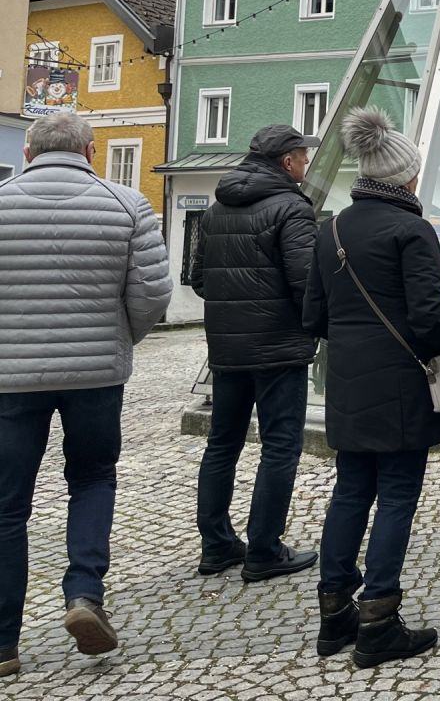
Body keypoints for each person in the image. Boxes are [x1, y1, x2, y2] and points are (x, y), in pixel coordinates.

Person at [0, 113, 171, 678]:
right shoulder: (127, 205)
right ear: (90, 151)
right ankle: (83, 595)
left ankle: (2, 643)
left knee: (6, 507)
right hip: (95, 375)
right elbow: (152, 294)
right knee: (93, 479)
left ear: (27, 152)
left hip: (9, 379)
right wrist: (120, 339)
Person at [301, 109, 440, 668]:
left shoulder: (332, 229)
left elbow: (313, 314)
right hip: (399, 380)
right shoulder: (411, 229)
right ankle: (379, 618)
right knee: (396, 495)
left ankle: (333, 613)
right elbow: (428, 317)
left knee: (350, 491)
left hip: (347, 377)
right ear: (405, 177)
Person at [190, 124, 320, 582]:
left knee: (222, 443)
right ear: (286, 161)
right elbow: (307, 283)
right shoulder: (292, 207)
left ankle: (216, 545)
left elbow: (199, 279)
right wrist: (317, 328)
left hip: (226, 347)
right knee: (280, 445)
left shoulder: (217, 206)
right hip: (279, 346)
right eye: (303, 157)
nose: (306, 164)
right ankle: (264, 550)